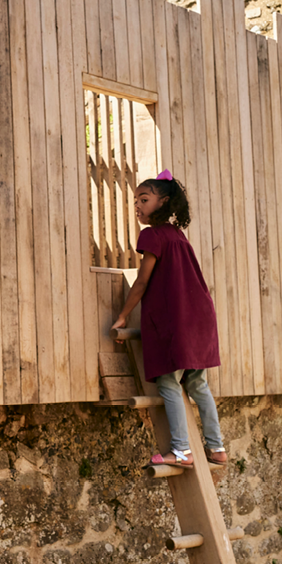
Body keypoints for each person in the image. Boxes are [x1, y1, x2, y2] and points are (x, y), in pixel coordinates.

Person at [112, 170, 227, 469]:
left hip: (176, 321)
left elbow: (141, 282)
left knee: (168, 382)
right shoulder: (177, 236)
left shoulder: (152, 235)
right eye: (136, 200)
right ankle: (217, 448)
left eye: (144, 199)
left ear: (163, 202)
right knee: (198, 384)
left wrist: (123, 315)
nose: (137, 205)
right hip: (200, 316)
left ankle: (181, 451)